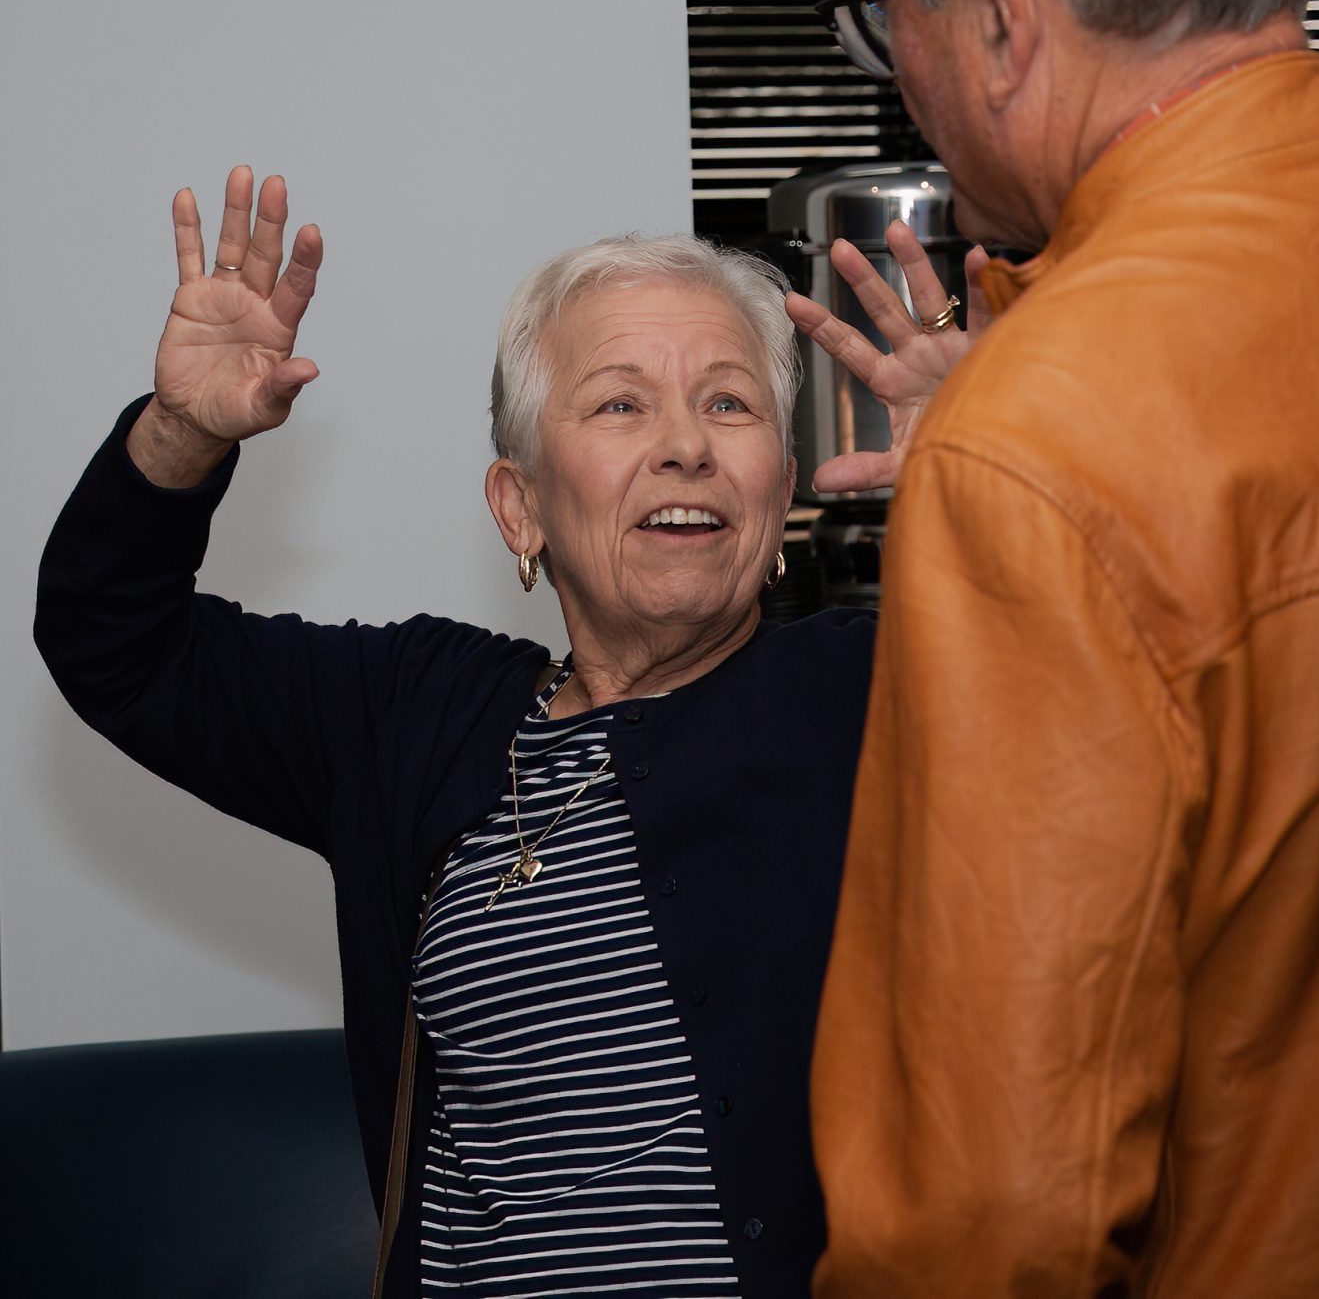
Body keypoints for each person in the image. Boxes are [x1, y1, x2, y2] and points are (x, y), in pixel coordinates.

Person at [791, 0, 1319, 1297]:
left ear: (995, 15)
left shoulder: (1039, 437)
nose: (896, 71)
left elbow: (989, 1219)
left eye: (889, 13)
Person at [34, 168, 885, 1298]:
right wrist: (180, 435)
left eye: (730, 404)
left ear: (781, 494)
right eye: (621, 404)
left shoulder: (877, 694)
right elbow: (110, 638)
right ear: (519, 507)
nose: (686, 443)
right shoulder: (414, 714)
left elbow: (1116, 702)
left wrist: (1012, 486)